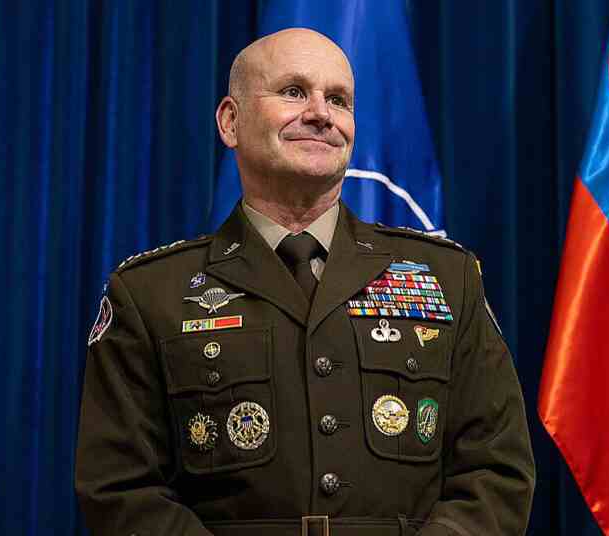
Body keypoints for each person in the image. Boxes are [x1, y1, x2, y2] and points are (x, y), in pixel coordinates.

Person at [75, 28, 535, 536]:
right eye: (294, 92)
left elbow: (496, 472)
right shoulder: (150, 294)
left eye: (338, 99)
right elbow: (121, 489)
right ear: (230, 121)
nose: (321, 113)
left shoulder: (447, 278)